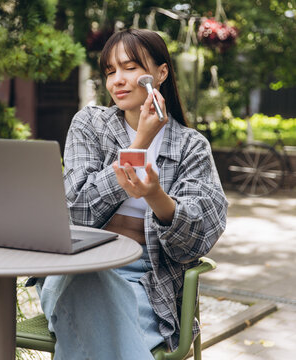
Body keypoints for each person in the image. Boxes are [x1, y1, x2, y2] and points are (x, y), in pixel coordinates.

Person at [35, 28, 228, 359]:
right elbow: (75, 210)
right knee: (85, 281)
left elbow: (198, 237)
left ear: (161, 73)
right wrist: (139, 143)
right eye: (110, 71)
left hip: (146, 281)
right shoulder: (90, 125)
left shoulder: (190, 146)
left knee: (92, 330)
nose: (117, 81)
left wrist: (156, 197)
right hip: (77, 266)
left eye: (130, 68)